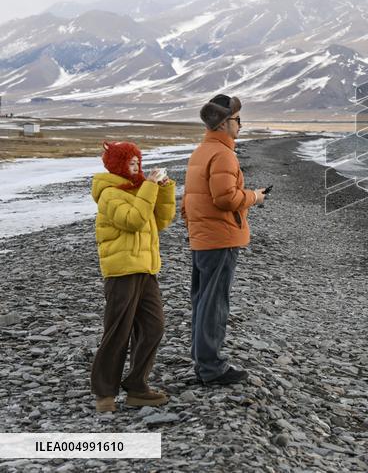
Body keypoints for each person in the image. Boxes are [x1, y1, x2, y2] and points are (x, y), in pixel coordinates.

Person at [181, 94, 266, 385]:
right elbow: (225, 198)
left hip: (203, 236)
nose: (240, 125)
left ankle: (204, 361)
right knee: (214, 303)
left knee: (203, 300)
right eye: (237, 120)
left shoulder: (201, 151)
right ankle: (211, 367)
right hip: (220, 237)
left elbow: (190, 199)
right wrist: (255, 196)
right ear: (224, 123)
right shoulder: (223, 154)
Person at [90, 141, 175, 413]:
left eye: (138, 161)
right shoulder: (109, 194)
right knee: (118, 332)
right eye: (130, 162)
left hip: (146, 269)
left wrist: (163, 190)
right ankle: (105, 394)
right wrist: (149, 187)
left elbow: (159, 222)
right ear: (117, 165)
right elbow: (134, 220)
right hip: (122, 271)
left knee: (154, 327)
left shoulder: (138, 189)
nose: (137, 166)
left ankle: (137, 386)